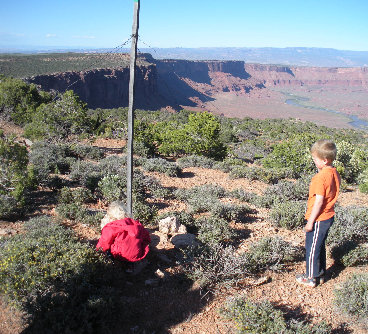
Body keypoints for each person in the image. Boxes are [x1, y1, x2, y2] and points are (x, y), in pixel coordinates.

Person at [296, 139, 341, 288]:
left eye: (315, 158)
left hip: (319, 218)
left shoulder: (320, 178)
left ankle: (310, 278)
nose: (313, 161)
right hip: (328, 216)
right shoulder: (334, 172)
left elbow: (319, 201)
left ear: (325, 160)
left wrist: (310, 222)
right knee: (319, 246)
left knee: (312, 249)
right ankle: (320, 275)